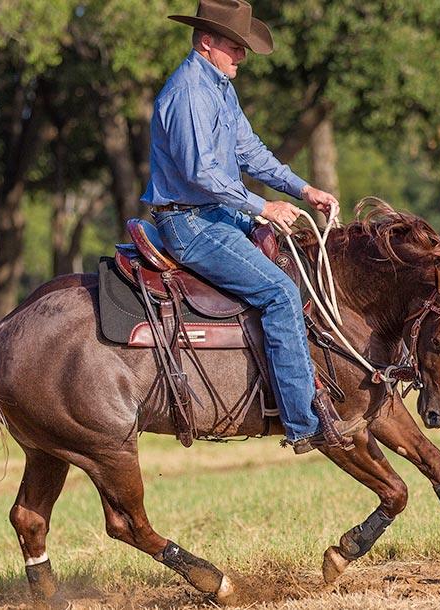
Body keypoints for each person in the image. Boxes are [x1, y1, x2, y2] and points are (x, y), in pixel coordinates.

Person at [141, 0, 362, 453]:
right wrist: (264, 208)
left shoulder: (220, 88)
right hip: (190, 223)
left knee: (298, 269)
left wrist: (304, 190)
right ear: (207, 42)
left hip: (216, 215)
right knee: (280, 293)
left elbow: (251, 153)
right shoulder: (188, 92)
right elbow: (202, 173)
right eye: (234, 46)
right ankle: (304, 422)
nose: (241, 55)